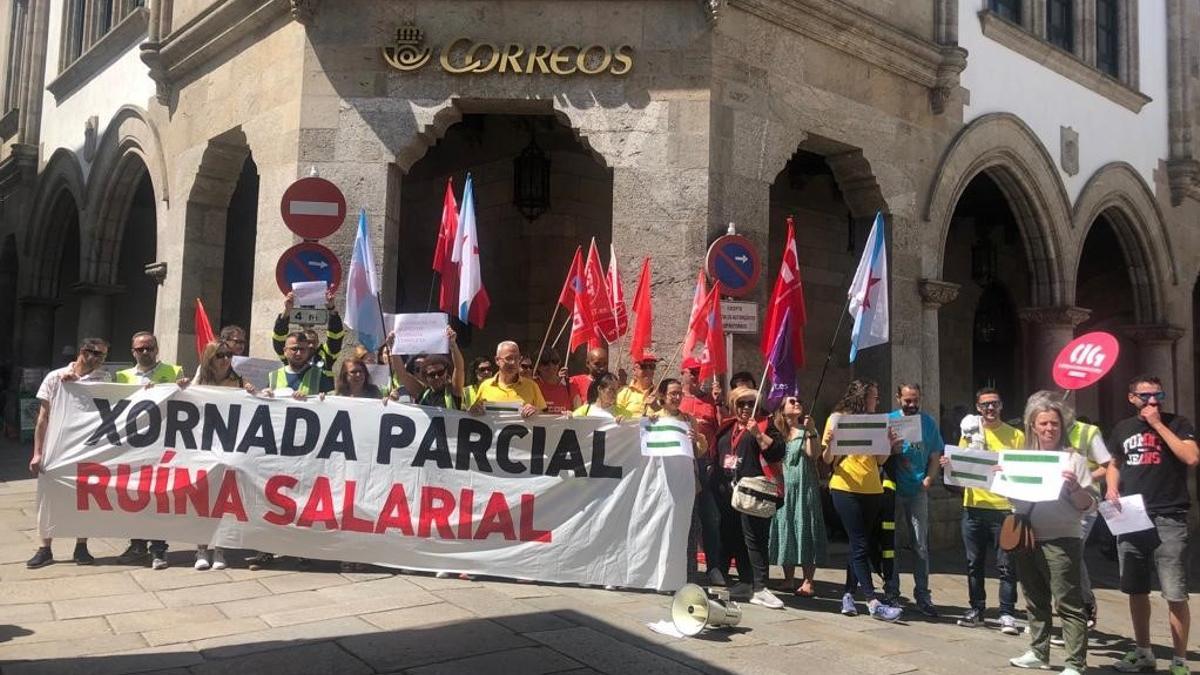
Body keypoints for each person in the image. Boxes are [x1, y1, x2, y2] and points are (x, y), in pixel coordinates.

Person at [1106, 375, 1198, 675]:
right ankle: (1143, 651)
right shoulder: (1123, 428)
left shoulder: (1178, 423)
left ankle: (1180, 660)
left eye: (1158, 395)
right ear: (1132, 398)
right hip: (1131, 516)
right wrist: (1111, 488)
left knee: (1174, 592)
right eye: (1145, 396)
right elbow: (1115, 464)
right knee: (1135, 588)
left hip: (1169, 515)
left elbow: (1190, 457)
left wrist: (1158, 424)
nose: (1153, 401)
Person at [1006, 393, 1096, 675]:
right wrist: (999, 476)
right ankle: (1038, 650)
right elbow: (1013, 499)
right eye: (1043, 423)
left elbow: (1089, 504)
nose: (1049, 429)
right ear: (1032, 426)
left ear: (1062, 426)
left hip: (1062, 538)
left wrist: (1074, 488)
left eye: (1054, 424)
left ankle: (1075, 663)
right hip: (1028, 536)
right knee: (1034, 598)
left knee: (1067, 602)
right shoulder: (1021, 459)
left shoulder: (1074, 460)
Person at [821, 379, 903, 621]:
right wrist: (832, 441)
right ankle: (872, 600)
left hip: (873, 490)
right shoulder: (838, 418)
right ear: (861, 397)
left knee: (859, 544)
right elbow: (826, 459)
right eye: (874, 397)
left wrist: (889, 445)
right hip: (845, 488)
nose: (877, 402)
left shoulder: (877, 423)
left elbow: (879, 461)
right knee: (860, 543)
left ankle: (848, 594)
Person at [943, 387, 1024, 634]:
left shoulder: (1016, 436)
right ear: (978, 408)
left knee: (1006, 565)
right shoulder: (969, 433)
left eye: (995, 404)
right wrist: (949, 464)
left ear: (1001, 406)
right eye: (985, 404)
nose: (990, 408)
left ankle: (1007, 613)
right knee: (973, 563)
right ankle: (977, 609)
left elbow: (1021, 469)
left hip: (1003, 508)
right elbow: (961, 464)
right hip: (973, 506)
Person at [26, 338, 111, 569]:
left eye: (103, 355)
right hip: (57, 446)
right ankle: (45, 548)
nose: (100, 360)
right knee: (49, 497)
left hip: (88, 447)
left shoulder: (104, 378)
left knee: (86, 497)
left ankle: (81, 546)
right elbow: (43, 418)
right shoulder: (55, 377)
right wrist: (37, 452)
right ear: (84, 352)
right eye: (97, 354)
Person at [181, 341, 256, 571]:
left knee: (225, 501)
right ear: (209, 358)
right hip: (203, 446)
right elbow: (185, 401)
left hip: (229, 447)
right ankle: (202, 548)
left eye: (229, 355)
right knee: (203, 499)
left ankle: (221, 549)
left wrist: (256, 394)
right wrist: (180, 387)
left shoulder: (240, 381)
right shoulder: (200, 380)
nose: (225, 359)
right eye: (220, 355)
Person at [114, 331, 183, 570]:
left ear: (157, 349)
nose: (145, 352)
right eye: (140, 349)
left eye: (150, 348)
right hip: (132, 447)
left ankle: (159, 549)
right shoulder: (121, 377)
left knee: (159, 497)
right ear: (132, 351)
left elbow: (183, 400)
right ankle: (137, 545)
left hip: (163, 445)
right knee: (135, 497)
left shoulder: (174, 372)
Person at [712, 387, 786, 609]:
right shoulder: (727, 427)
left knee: (755, 539)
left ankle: (761, 586)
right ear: (734, 405)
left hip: (755, 492)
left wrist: (757, 434)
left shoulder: (765, 425)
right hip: (730, 493)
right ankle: (746, 582)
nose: (746, 408)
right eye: (741, 403)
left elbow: (778, 452)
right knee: (736, 538)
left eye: (750, 404)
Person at [883, 383, 945, 616]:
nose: (912, 404)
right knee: (892, 543)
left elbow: (935, 453)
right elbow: (877, 453)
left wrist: (930, 478)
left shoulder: (928, 422)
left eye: (915, 400)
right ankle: (892, 591)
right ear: (898, 398)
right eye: (908, 400)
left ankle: (923, 594)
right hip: (893, 488)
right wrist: (890, 448)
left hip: (918, 489)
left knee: (920, 545)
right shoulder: (889, 420)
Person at [768, 395, 825, 597]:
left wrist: (811, 432)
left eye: (798, 400)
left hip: (804, 487)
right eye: (791, 401)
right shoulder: (780, 434)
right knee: (787, 528)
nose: (797, 402)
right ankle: (788, 578)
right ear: (782, 410)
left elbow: (814, 453)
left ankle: (808, 580)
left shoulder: (807, 429)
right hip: (785, 488)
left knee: (806, 528)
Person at [679, 358, 722, 585]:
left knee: (710, 518)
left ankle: (713, 566)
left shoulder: (710, 401)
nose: (696, 376)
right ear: (682, 373)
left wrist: (720, 403)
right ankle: (684, 566)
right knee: (684, 518)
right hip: (680, 466)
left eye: (699, 372)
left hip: (704, 464)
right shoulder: (675, 400)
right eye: (692, 372)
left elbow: (722, 427)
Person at [390, 326, 465, 408]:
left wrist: (453, 345)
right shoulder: (422, 393)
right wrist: (393, 347)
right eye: (432, 374)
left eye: (440, 373)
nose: (437, 377)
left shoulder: (453, 390)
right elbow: (402, 374)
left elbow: (459, 368)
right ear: (426, 377)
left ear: (446, 372)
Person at [468, 341, 545, 418]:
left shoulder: (532, 386)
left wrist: (536, 411)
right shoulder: (485, 386)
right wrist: (473, 410)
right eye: (508, 358)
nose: (513, 362)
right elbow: (475, 412)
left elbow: (546, 418)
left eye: (517, 358)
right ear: (497, 360)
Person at [271, 289, 344, 370]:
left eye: (314, 342)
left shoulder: (325, 356)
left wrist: (331, 309)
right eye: (308, 342)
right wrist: (287, 311)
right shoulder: (292, 356)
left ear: (318, 343)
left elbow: (336, 337)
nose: (311, 345)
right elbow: (278, 338)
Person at [266, 332, 333, 397]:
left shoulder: (319, 376)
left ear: (307, 351)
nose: (299, 353)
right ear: (285, 351)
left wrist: (321, 399)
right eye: (294, 349)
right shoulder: (274, 376)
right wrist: (261, 395)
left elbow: (332, 402)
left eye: (302, 349)